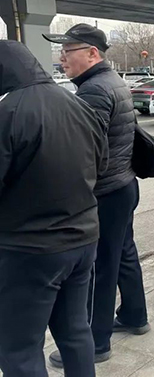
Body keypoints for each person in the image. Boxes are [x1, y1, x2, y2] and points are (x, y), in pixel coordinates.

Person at [45, 24, 149, 368]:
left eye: (68, 51)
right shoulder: (112, 80)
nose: (62, 59)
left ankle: (96, 342)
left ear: (92, 53)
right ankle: (134, 315)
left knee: (101, 267)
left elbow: (85, 153)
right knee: (123, 253)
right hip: (123, 185)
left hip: (105, 193)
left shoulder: (93, 91)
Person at [0, 41, 106, 377]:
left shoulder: (8, 113)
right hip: (83, 241)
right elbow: (100, 165)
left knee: (19, 348)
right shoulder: (78, 105)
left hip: (29, 250)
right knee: (75, 331)